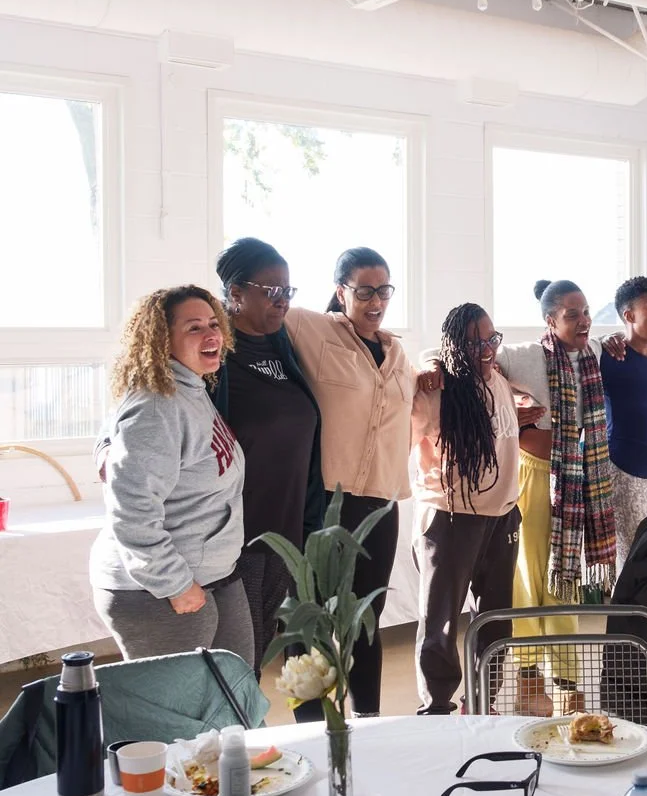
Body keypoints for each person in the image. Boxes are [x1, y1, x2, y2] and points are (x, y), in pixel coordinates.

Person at [419, 278, 617, 717]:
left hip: (574, 479)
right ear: (549, 319)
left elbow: (620, 339)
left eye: (586, 312)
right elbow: (455, 357)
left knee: (564, 582)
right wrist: (431, 364)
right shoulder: (522, 355)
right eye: (572, 314)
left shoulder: (594, 355)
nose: (583, 320)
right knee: (525, 583)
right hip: (526, 478)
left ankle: (565, 682)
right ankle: (528, 682)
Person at [90, 286, 253, 663]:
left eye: (214, 324)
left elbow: (112, 436)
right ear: (163, 339)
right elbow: (132, 511)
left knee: (237, 700)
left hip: (211, 573)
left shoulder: (187, 390)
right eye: (194, 328)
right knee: (177, 717)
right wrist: (175, 584)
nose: (212, 334)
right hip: (157, 589)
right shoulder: (157, 406)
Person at [285, 247, 415, 716]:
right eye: (364, 291)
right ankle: (309, 727)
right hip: (327, 506)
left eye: (384, 290)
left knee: (366, 621)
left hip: (380, 507)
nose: (376, 300)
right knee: (310, 622)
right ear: (341, 291)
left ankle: (369, 722)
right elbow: (242, 323)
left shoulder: (398, 352)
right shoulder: (311, 329)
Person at [214, 238, 323, 682]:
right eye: (270, 290)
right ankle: (241, 748)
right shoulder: (215, 354)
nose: (282, 300)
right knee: (245, 659)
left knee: (304, 657)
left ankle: (310, 745)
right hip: (242, 538)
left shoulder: (285, 345)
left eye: (287, 291)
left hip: (291, 529)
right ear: (235, 294)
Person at [411, 304, 521, 714]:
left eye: (491, 339)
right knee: (440, 623)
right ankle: (437, 708)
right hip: (450, 518)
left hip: (503, 515)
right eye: (474, 342)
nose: (486, 349)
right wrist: (429, 363)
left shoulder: (499, 381)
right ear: (455, 346)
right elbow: (401, 434)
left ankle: (482, 701)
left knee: (495, 620)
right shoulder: (438, 390)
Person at [601, 276, 647, 574]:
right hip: (624, 471)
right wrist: (607, 338)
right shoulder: (609, 355)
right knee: (632, 563)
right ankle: (626, 621)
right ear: (629, 316)